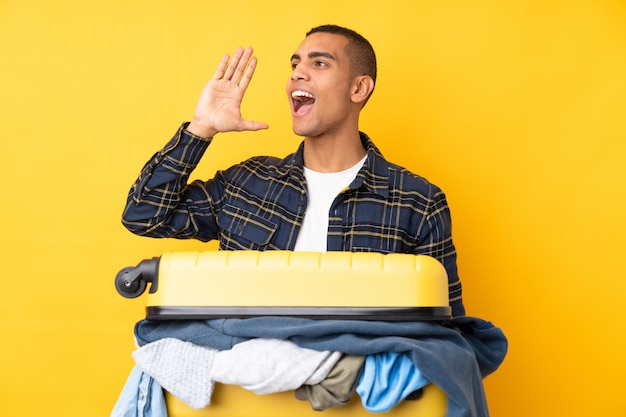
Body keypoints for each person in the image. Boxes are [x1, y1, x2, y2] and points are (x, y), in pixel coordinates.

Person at [121, 24, 465, 317]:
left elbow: (444, 330)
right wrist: (201, 128)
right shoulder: (247, 184)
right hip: (248, 386)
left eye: (319, 63)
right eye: (295, 64)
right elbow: (143, 214)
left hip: (358, 393)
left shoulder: (417, 202)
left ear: (358, 88)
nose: (298, 73)